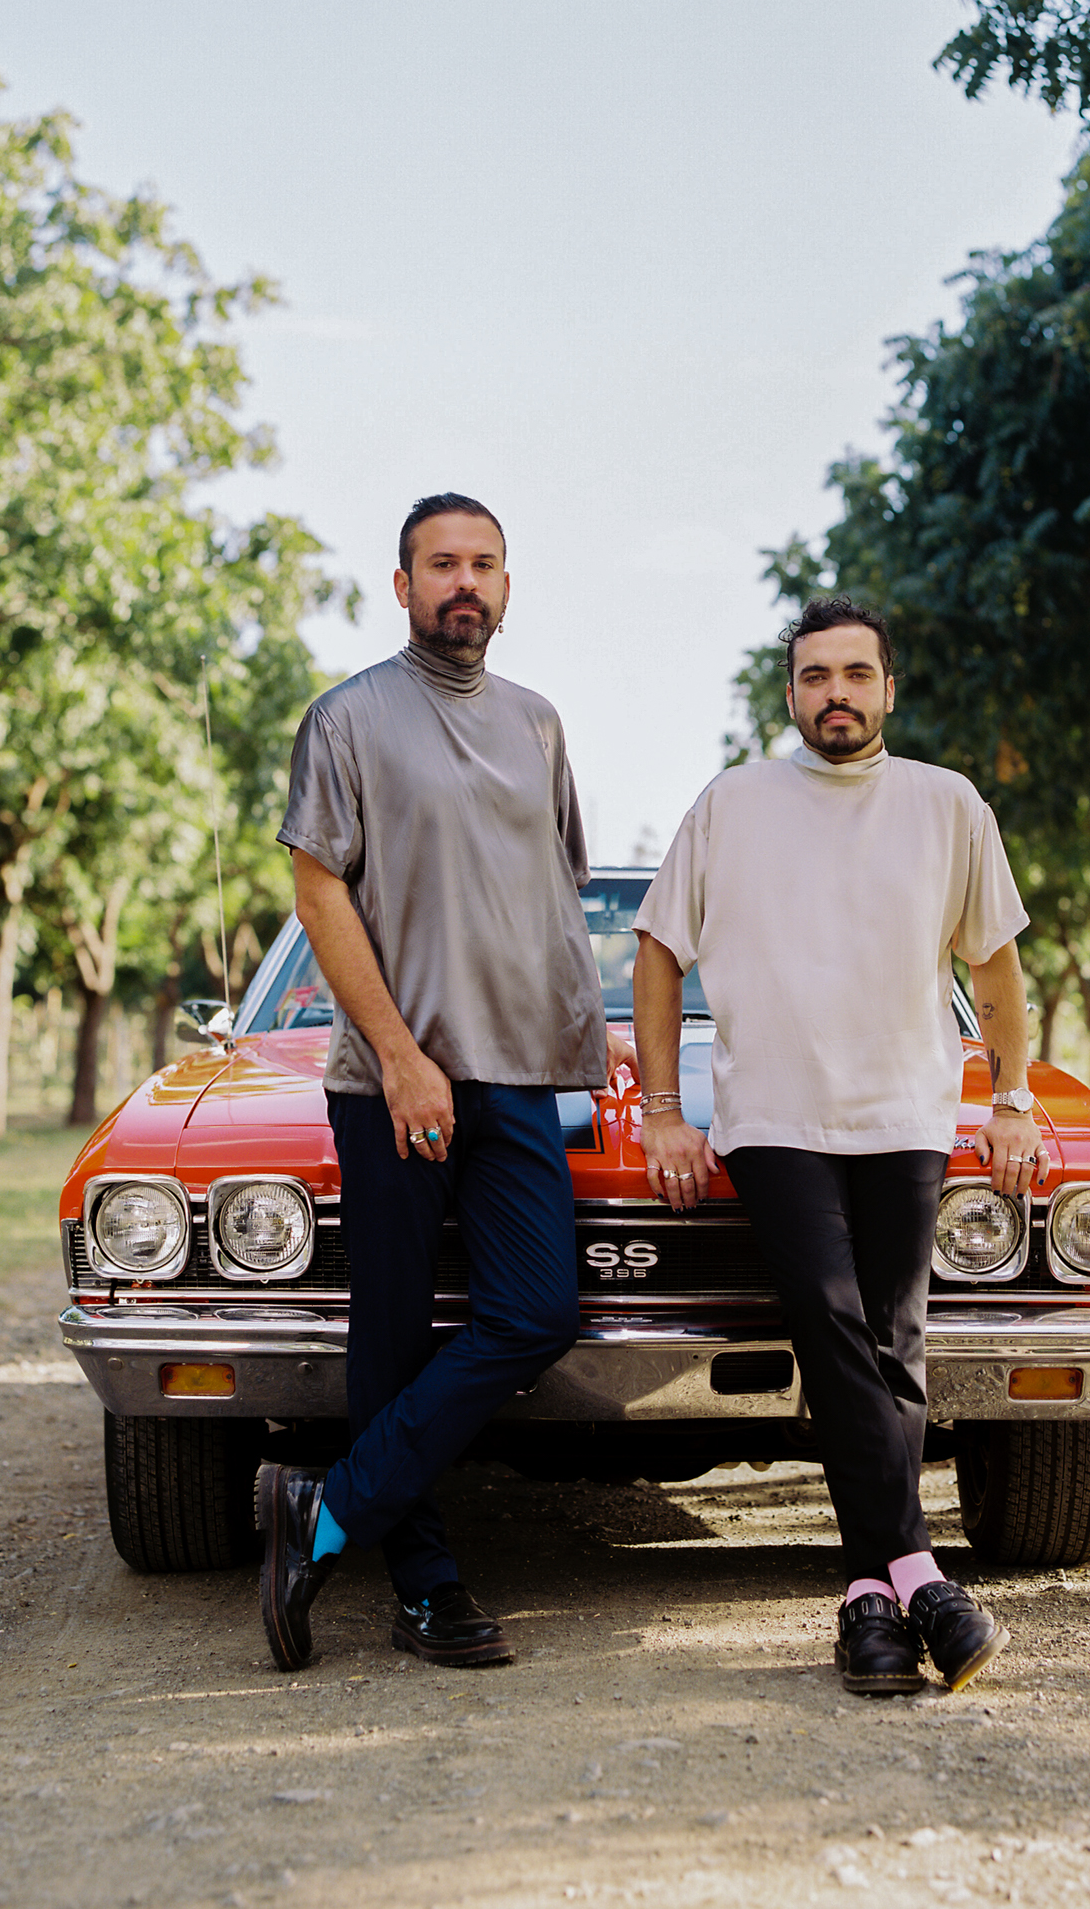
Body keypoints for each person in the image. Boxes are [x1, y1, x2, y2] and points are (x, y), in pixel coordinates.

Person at [630, 594, 1046, 1696]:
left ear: (888, 689)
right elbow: (658, 950)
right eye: (815, 676)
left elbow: (995, 962)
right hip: (774, 1115)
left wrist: (1010, 1096)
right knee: (832, 1320)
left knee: (894, 1344)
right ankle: (923, 1574)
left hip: (907, 1113)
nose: (837, 694)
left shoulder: (947, 804)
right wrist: (662, 1109)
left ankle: (873, 1601)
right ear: (790, 695)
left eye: (856, 674)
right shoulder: (731, 803)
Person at [259, 491, 635, 1673]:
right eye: (440, 563)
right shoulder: (348, 717)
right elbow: (318, 890)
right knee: (392, 1331)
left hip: (518, 1076)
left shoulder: (537, 723)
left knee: (536, 1312)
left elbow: (552, 897)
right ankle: (423, 1584)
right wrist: (402, 1054)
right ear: (403, 585)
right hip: (392, 1082)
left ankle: (325, 1508)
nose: (462, 582)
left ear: (506, 587)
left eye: (482, 563)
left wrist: (590, 1035)